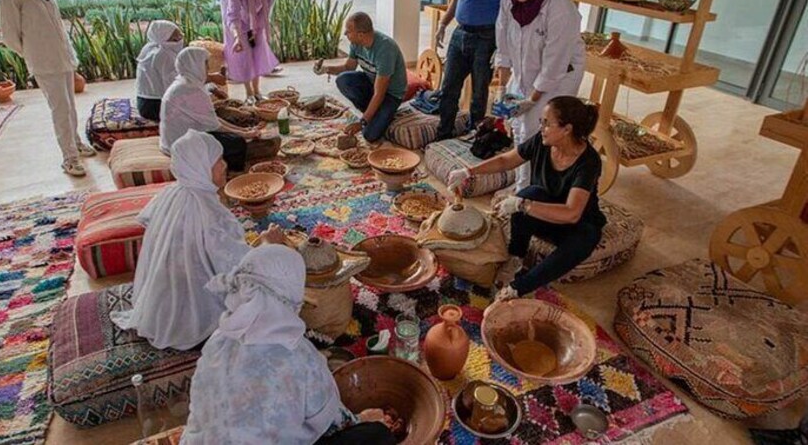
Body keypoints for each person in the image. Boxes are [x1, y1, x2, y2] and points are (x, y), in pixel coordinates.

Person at [181, 243, 397, 445]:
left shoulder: (218, 339)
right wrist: (366, 420)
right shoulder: (297, 356)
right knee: (378, 435)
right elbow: (332, 421)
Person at [111, 129, 286, 351]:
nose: (224, 165)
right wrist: (267, 244)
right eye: (217, 161)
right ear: (199, 167)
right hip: (193, 309)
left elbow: (152, 223)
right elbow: (238, 269)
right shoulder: (210, 213)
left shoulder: (171, 193)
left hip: (165, 298)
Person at [448, 97, 605, 296]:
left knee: (581, 241)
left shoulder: (589, 162)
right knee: (530, 193)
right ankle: (516, 257)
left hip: (577, 224)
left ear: (567, 129)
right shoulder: (542, 142)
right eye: (542, 122)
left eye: (547, 123)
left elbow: (572, 213)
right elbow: (506, 160)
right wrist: (468, 172)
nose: (542, 127)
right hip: (545, 216)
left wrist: (523, 205)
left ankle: (518, 288)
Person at [0, 0, 96, 177]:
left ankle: (76, 143)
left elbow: (56, 25)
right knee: (60, 109)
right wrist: (33, 52)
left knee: (70, 106)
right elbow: (9, 35)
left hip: (61, 56)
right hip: (44, 62)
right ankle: (69, 158)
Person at [494, 0, 585, 190]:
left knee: (538, 127)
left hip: (560, 75)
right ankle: (520, 179)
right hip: (526, 71)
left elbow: (552, 67)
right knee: (516, 123)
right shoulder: (508, 1)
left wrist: (531, 101)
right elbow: (503, 47)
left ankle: (530, 187)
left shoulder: (560, 10)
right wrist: (502, 87)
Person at [435, 0, 512, 141]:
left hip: (487, 36)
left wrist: (503, 45)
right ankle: (443, 133)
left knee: (479, 94)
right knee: (448, 87)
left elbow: (510, 9)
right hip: (461, 32)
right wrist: (443, 24)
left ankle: (475, 137)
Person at [160, 46, 259, 171]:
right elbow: (215, 125)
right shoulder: (190, 89)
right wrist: (245, 134)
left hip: (183, 135)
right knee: (236, 143)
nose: (208, 68)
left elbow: (211, 118)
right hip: (180, 144)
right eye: (205, 64)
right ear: (195, 66)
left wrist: (243, 129)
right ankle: (231, 173)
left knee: (230, 125)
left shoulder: (186, 82)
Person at [326, 12, 407, 143]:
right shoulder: (356, 43)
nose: (345, 34)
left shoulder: (385, 49)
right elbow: (348, 67)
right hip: (372, 83)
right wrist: (326, 69)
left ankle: (378, 116)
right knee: (343, 79)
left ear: (361, 35)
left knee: (369, 135)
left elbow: (379, 93)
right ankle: (374, 114)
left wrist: (362, 122)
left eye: (348, 31)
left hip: (390, 94)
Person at [220, 0, 281, 101]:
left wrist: (257, 30)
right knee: (244, 52)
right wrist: (237, 36)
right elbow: (233, 14)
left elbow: (266, 10)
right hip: (236, 14)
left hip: (257, 14)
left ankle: (257, 91)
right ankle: (249, 93)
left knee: (257, 48)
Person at [134, 20, 183, 121]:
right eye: (176, 37)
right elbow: (175, 85)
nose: (180, 39)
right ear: (165, 38)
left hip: (143, 103)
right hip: (156, 106)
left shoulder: (149, 49)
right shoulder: (164, 55)